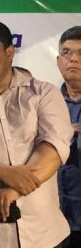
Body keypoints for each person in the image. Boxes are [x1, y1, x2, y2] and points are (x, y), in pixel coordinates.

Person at [0, 20, 72, 247]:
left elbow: (54, 148)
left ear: (10, 52)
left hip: (44, 234)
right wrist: (1, 172)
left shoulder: (43, 93)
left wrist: (14, 189)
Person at [57, 26, 81, 248]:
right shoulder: (45, 102)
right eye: (67, 53)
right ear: (58, 61)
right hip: (55, 221)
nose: (73, 59)